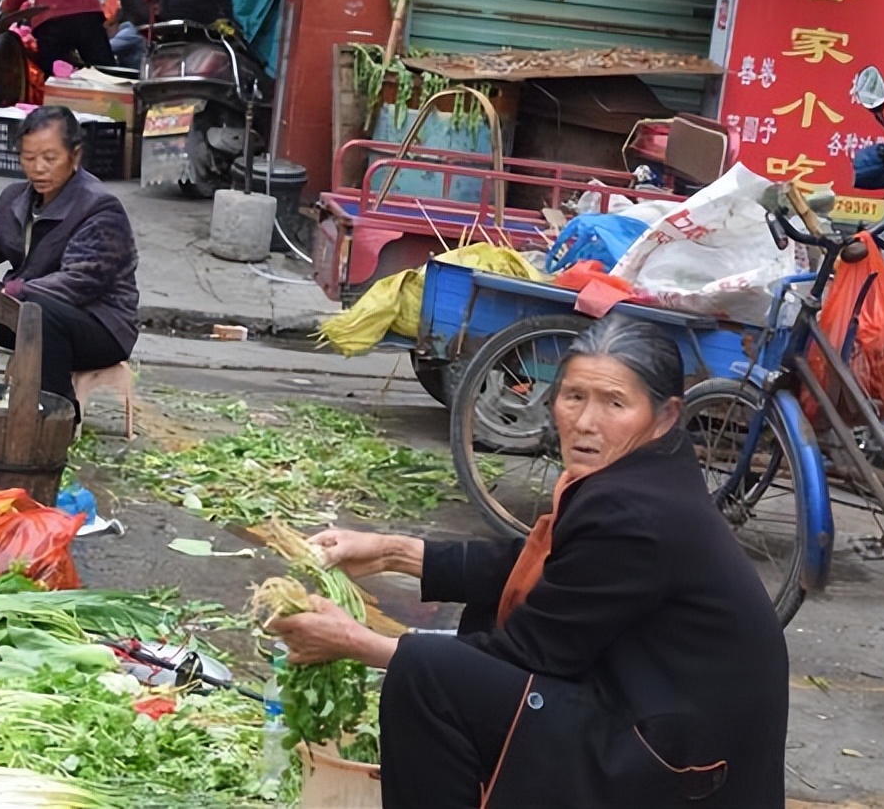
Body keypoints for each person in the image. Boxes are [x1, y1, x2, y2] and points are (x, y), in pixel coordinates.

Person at [270, 316, 790, 808]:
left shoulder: (636, 511)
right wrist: (390, 552)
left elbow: (530, 653)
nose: (586, 423)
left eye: (614, 403)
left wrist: (357, 644)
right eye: (573, 397)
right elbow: (545, 563)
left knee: (429, 678)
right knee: (467, 635)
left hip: (680, 772)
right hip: (670, 731)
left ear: (666, 415)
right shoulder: (649, 469)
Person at [0, 106, 139, 420]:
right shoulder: (16, 198)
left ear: (74, 156)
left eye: (50, 158)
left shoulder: (99, 208)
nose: (38, 168)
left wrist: (5, 294)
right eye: (29, 158)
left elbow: (77, 283)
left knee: (41, 311)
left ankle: (57, 413)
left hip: (99, 327)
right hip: (28, 309)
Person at [2, 0, 116, 76]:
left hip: (52, 18)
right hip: (87, 13)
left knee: (52, 76)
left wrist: (6, 12)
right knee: (106, 72)